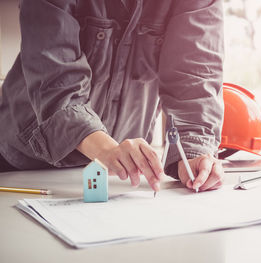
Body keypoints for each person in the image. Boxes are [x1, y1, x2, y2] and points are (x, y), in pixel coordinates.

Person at [0, 0, 225, 193]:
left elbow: (195, 76)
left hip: (119, 175)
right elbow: (55, 76)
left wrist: (195, 153)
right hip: (24, 163)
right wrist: (105, 149)